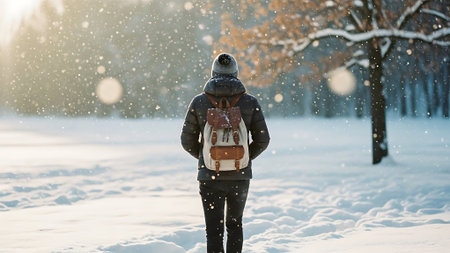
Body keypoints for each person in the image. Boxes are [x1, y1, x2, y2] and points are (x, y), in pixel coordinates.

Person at [181, 53, 270, 253]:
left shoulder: (198, 102)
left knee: (213, 231)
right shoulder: (250, 102)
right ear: (236, 74)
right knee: (235, 225)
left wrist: (208, 157)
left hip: (209, 177)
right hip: (240, 176)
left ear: (213, 73)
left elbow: (186, 140)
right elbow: (263, 139)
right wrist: (242, 157)